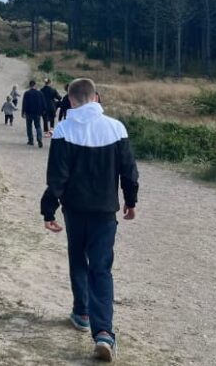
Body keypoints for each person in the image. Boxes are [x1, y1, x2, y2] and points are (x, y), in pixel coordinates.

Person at [40, 78, 139, 362]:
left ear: (70, 100)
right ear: (96, 97)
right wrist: (130, 201)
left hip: (75, 210)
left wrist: (49, 210)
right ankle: (104, 333)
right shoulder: (116, 128)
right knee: (101, 268)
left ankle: (81, 313)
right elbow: (129, 172)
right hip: (105, 211)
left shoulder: (63, 129)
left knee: (77, 258)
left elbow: (57, 177)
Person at [21, 79, 47, 148]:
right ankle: (39, 138)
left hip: (29, 112)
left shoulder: (27, 93)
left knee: (29, 127)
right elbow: (44, 103)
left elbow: (24, 103)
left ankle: (31, 140)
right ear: (35, 85)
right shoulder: (40, 93)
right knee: (38, 126)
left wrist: (23, 112)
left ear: (30, 85)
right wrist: (44, 110)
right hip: (37, 113)